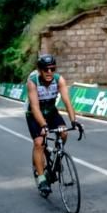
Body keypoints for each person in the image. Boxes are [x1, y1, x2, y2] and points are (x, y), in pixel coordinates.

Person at [26, 54, 81, 196]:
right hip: (34, 113)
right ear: (40, 70)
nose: (49, 72)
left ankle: (57, 156)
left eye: (52, 69)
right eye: (46, 69)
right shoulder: (33, 82)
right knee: (39, 143)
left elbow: (67, 101)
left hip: (51, 110)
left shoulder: (59, 80)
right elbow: (35, 108)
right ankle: (42, 178)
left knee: (64, 133)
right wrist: (44, 126)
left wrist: (73, 121)